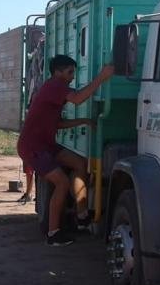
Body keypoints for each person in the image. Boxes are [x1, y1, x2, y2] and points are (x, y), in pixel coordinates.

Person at [17, 54, 114, 246]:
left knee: (79, 164)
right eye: (70, 72)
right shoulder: (55, 86)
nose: (72, 77)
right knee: (61, 183)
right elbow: (78, 99)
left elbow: (56, 123)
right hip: (33, 147)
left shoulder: (52, 88)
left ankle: (82, 213)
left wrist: (83, 121)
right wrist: (102, 77)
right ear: (57, 72)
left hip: (46, 145)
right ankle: (54, 234)